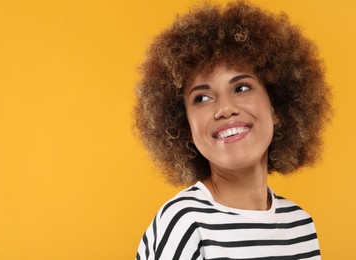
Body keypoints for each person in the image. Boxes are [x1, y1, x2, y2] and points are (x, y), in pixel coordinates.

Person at [134, 1, 332, 259]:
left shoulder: (300, 225)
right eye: (202, 98)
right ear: (185, 127)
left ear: (277, 107)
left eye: (241, 88)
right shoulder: (184, 223)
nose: (225, 109)